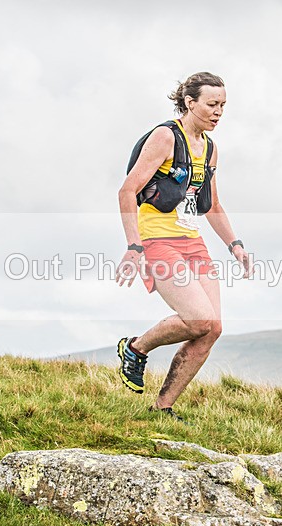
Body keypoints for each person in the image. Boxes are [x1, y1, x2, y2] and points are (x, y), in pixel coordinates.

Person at [115, 72, 250, 422]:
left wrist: (235, 245)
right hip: (157, 238)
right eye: (211, 104)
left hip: (192, 241)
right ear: (190, 103)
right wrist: (134, 246)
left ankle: (163, 408)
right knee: (198, 318)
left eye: (223, 105)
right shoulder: (165, 137)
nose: (218, 112)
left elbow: (212, 206)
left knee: (213, 327)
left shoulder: (209, 147)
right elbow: (127, 191)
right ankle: (135, 348)